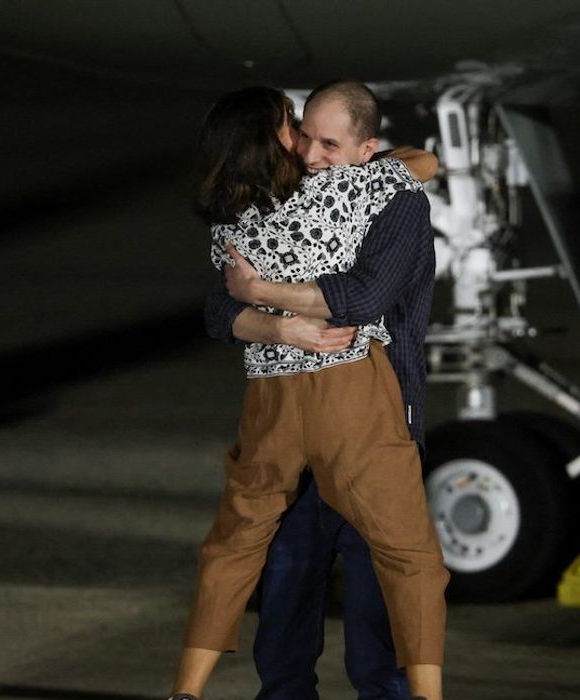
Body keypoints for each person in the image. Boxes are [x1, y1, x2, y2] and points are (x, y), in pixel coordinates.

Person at [168, 85, 448, 700]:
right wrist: (279, 324)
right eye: (298, 132)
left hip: (361, 416)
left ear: (364, 147)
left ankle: (186, 691)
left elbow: (365, 295)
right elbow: (418, 163)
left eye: (325, 140)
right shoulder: (354, 190)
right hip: (348, 407)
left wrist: (262, 299)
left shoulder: (239, 221)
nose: (310, 149)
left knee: (365, 612)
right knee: (303, 594)